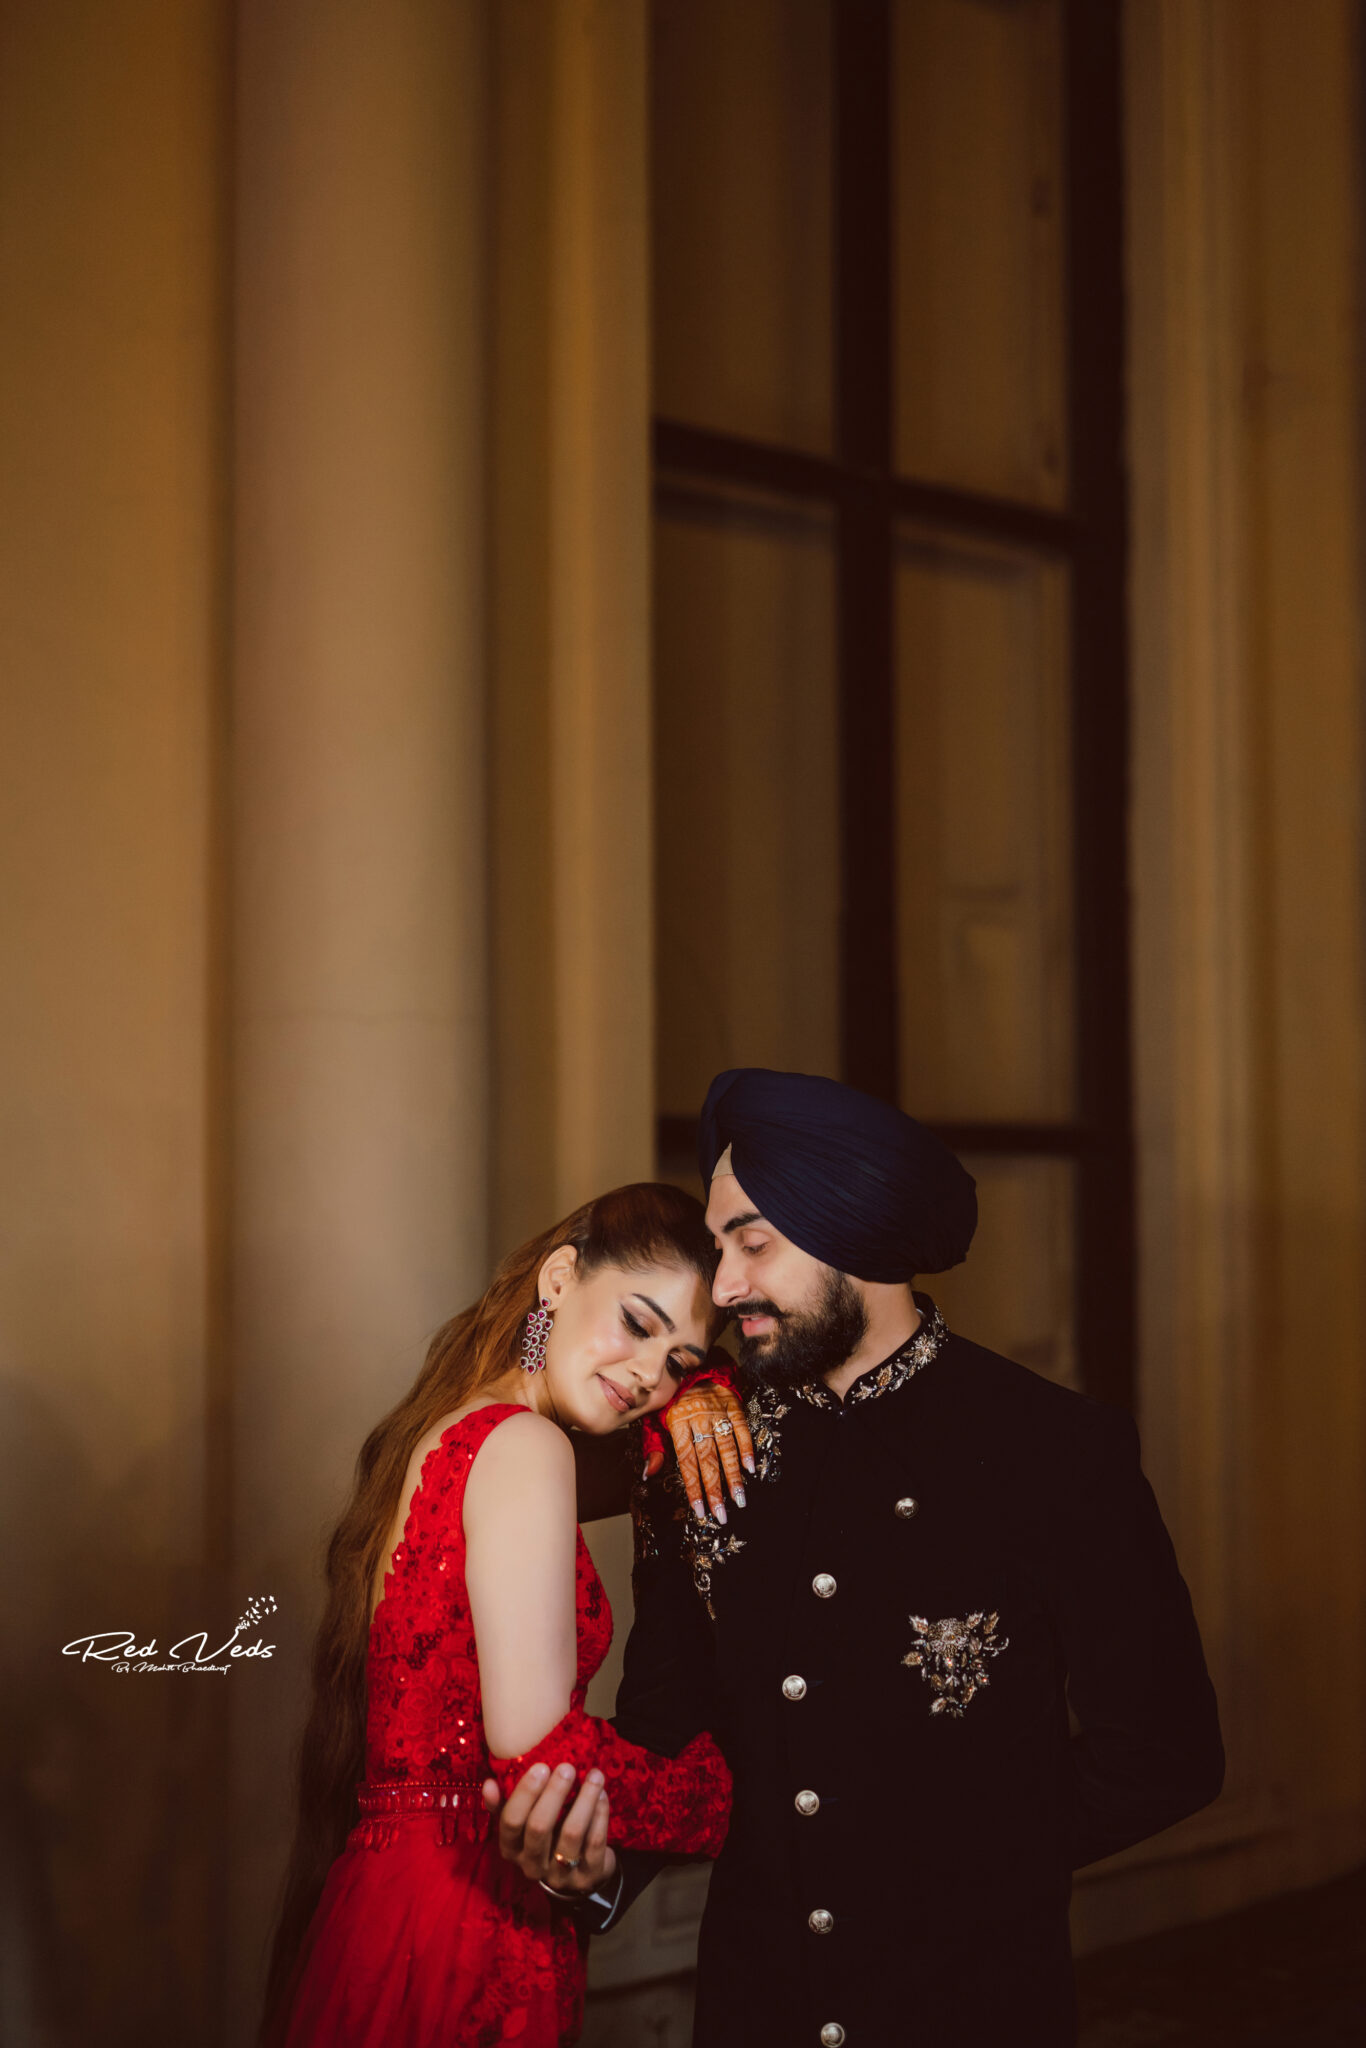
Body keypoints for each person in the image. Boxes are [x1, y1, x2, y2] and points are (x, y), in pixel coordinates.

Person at [492, 1069, 1225, 2048]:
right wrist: (597, 1872)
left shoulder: (1054, 1448)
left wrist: (965, 1873)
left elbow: (1164, 1756)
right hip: (758, 2007)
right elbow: (666, 1721)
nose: (725, 1284)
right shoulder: (696, 1452)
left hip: (974, 2006)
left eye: (752, 1241)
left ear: (859, 1231)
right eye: (719, 1246)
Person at [260, 1183, 743, 2048]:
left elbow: (653, 1472)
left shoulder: (462, 1427)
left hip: (398, 1897)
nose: (647, 1374)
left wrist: (710, 1389)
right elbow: (539, 1755)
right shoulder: (527, 1447)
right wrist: (724, 1793)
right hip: (464, 1910)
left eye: (678, 1361)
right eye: (638, 1323)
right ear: (559, 1278)